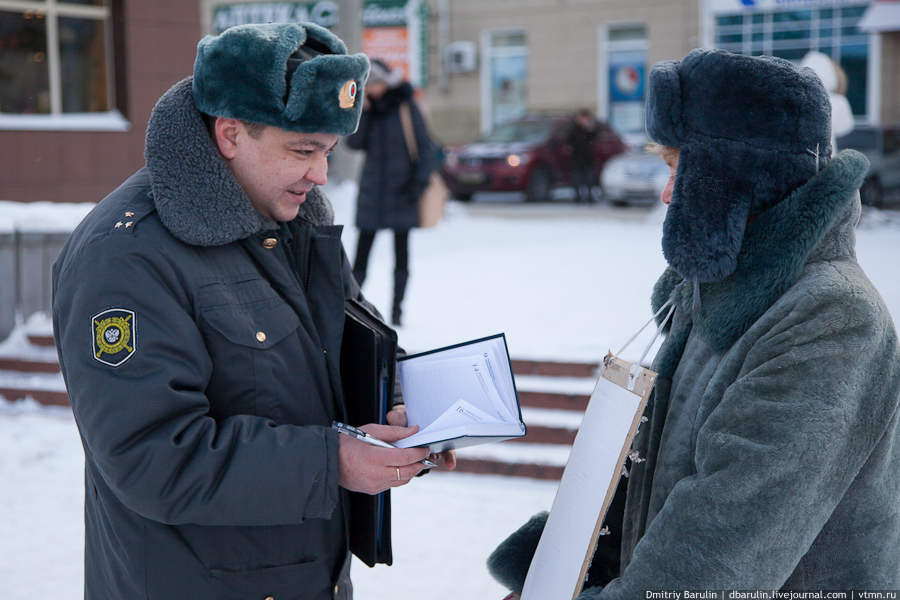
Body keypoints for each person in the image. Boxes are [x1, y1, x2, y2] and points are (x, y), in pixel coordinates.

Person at [52, 23, 454, 600]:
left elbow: (350, 345)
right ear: (230, 133)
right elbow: (150, 455)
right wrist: (332, 462)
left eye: (328, 151)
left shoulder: (296, 221)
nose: (321, 174)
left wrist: (403, 405)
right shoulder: (125, 255)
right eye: (303, 150)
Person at [486, 48, 900, 595]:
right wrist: (558, 570)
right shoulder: (715, 296)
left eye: (679, 170)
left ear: (741, 176)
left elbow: (715, 553)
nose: (666, 193)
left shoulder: (831, 318)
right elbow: (654, 476)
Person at [346, 59, 436, 327]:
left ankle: (397, 312)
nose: (373, 89)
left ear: (386, 82)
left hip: (403, 191)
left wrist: (418, 185)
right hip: (373, 193)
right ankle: (349, 308)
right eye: (369, 85)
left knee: (401, 257)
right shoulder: (369, 109)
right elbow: (354, 143)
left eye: (376, 84)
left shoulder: (406, 106)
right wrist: (364, 110)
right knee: (360, 259)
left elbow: (426, 149)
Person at [566, 108, 599, 203]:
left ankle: (589, 196)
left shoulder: (589, 130)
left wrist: (588, 128)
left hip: (588, 159)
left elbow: (595, 137)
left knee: (589, 179)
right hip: (577, 159)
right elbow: (569, 140)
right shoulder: (574, 129)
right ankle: (577, 196)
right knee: (577, 179)